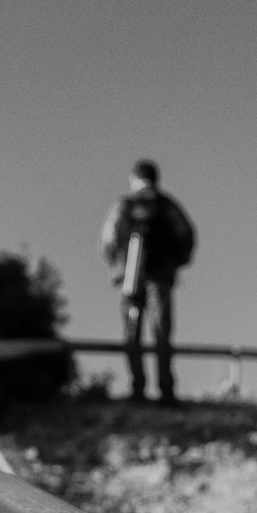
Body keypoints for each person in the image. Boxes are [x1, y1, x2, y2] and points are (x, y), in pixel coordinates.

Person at [98, 159, 196, 404]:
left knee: (132, 333)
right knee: (161, 333)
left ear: (134, 178)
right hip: (160, 278)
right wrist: (175, 263)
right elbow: (186, 235)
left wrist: (117, 267)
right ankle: (166, 390)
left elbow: (107, 241)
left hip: (130, 279)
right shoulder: (166, 206)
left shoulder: (123, 205)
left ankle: (137, 388)